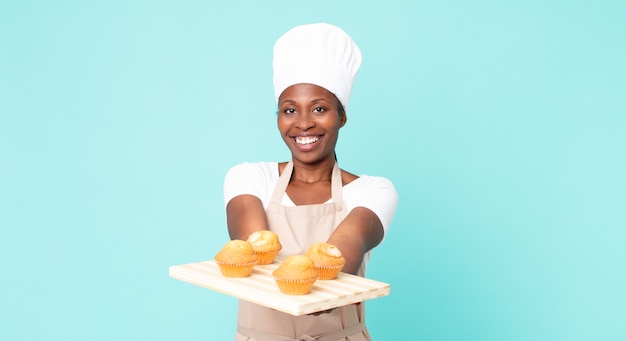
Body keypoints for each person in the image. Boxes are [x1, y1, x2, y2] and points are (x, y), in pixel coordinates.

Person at [223, 23, 398, 341]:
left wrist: (311, 285)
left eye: (319, 109)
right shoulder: (249, 177)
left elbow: (343, 252)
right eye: (290, 110)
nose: (303, 123)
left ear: (341, 116)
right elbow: (251, 251)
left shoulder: (373, 191)